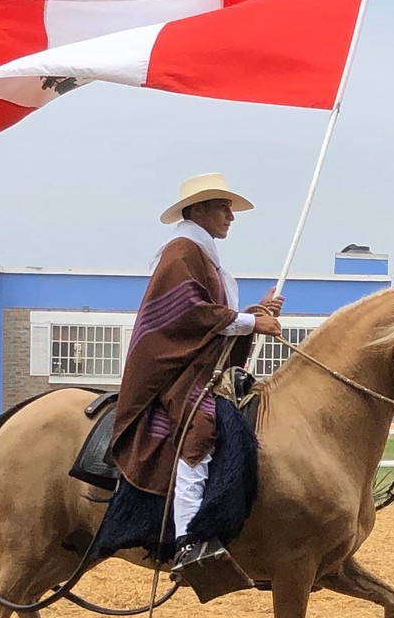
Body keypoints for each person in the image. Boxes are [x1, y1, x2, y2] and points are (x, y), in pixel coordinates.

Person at [109, 173, 283, 577]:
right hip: (175, 371)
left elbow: (211, 319)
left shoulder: (201, 254)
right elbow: (187, 313)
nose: (231, 217)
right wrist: (250, 323)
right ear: (198, 210)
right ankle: (188, 539)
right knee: (200, 426)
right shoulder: (182, 252)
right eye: (223, 208)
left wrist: (256, 312)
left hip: (197, 365)